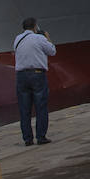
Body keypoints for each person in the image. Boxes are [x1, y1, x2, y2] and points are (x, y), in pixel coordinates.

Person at [14, 17, 57, 145]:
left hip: (21, 76)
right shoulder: (40, 38)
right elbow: (52, 51)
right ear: (35, 27)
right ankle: (41, 136)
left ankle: (27, 139)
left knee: (24, 109)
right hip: (37, 74)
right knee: (41, 106)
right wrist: (47, 37)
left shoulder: (18, 38)